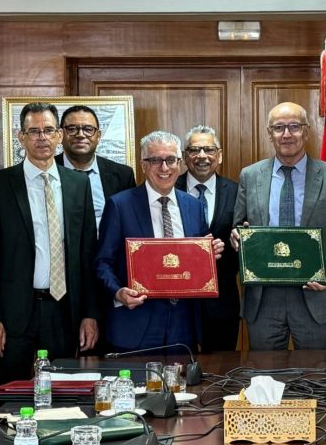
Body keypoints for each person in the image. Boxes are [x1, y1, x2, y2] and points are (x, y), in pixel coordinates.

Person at [0, 102, 99, 383]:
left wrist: (90, 314)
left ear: (59, 136)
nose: (42, 138)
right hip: (14, 311)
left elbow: (87, 254)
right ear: (21, 137)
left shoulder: (78, 185)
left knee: (65, 394)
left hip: (65, 309)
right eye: (34, 131)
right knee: (6, 394)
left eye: (48, 130)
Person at [231, 102, 326, 350]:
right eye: (279, 128)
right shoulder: (250, 175)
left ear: (307, 131)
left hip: (314, 293)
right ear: (269, 133)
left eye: (294, 127)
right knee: (265, 378)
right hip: (264, 297)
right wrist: (237, 237)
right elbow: (239, 225)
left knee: (317, 376)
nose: (286, 134)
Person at [95, 131, 223, 351]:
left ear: (180, 163)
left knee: (181, 386)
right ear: (143, 165)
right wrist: (118, 292)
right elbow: (102, 262)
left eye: (171, 160)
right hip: (136, 322)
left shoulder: (193, 206)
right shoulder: (120, 205)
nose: (165, 168)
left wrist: (211, 253)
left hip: (184, 325)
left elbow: (197, 262)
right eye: (156, 160)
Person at [175, 125, 240, 351]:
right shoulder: (168, 189)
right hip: (179, 302)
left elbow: (246, 237)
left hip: (222, 301)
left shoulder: (238, 191)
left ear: (219, 155)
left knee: (221, 372)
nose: (202, 156)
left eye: (209, 149)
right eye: (194, 150)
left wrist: (238, 240)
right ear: (184, 157)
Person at [58, 105, 136, 232]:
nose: (80, 135)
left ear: (98, 136)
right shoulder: (47, 172)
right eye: (72, 129)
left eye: (88, 129)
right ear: (60, 135)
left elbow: (130, 222)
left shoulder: (123, 176)